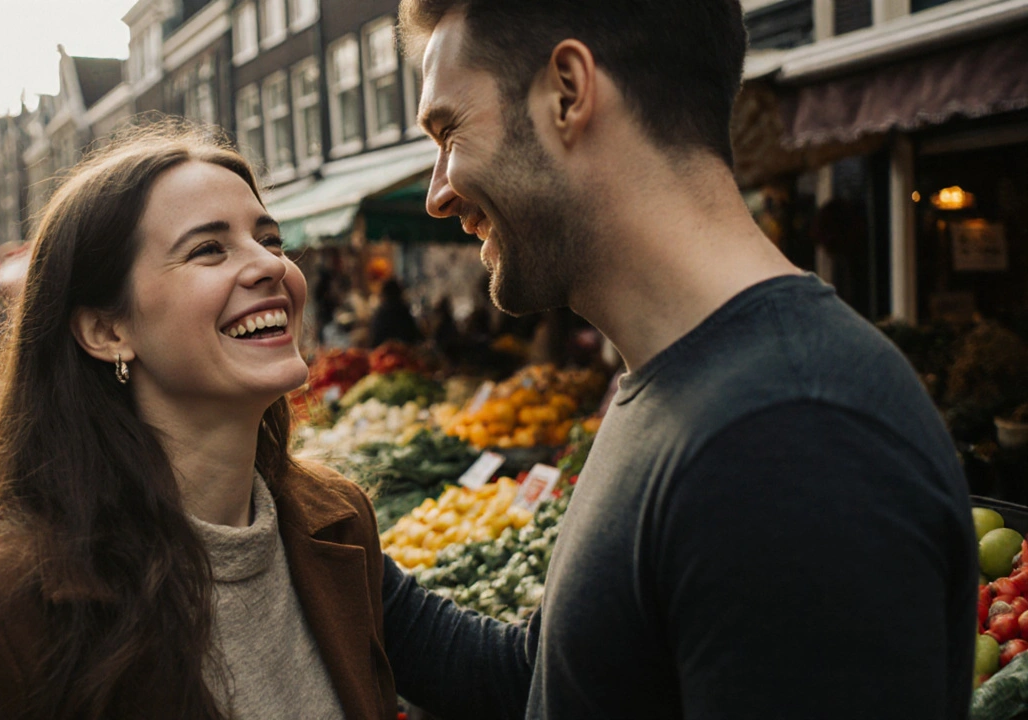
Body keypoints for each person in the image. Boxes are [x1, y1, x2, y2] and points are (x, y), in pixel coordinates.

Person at [383, 2, 977, 719]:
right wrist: (315, 531)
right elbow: (548, 683)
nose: (438, 193)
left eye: (449, 131)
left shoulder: (791, 441)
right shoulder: (682, 391)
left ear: (568, 92)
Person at [0, 125, 396, 719]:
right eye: (209, 248)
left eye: (271, 239)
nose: (270, 266)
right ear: (108, 331)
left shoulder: (339, 522)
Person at [370, 278, 424, 348]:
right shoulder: (403, 310)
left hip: (385, 352)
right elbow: (414, 336)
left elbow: (374, 340)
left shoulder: (381, 313)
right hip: (403, 352)